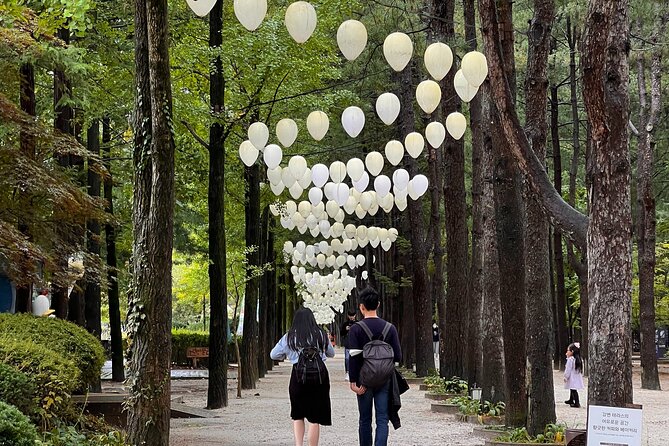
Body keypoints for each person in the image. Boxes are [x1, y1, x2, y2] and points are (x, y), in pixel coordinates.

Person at [271, 308, 335, 446]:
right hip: (319, 378)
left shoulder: (289, 336)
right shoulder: (321, 334)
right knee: (315, 417)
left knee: (297, 414)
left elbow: (273, 355)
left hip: (298, 377)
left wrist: (288, 354)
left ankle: (299, 445)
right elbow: (331, 353)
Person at [348, 287, 402, 446]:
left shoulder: (356, 329)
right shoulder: (389, 328)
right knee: (382, 419)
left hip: (363, 381)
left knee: (365, 419)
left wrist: (353, 381)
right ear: (378, 304)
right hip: (385, 380)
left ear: (361, 306)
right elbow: (398, 356)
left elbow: (354, 358)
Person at [564, 342, 584, 408]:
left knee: (573, 389)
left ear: (572, 351)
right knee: (572, 388)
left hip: (572, 377)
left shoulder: (570, 360)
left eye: (568, 350)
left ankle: (577, 403)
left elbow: (568, 369)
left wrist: (566, 376)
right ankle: (571, 399)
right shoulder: (578, 359)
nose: (567, 352)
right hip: (576, 377)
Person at [340, 309, 357, 381]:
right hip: (347, 344)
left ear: (355, 315)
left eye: (353, 316)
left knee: (355, 359)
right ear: (348, 316)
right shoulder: (345, 324)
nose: (351, 317)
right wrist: (345, 329)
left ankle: (355, 373)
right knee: (347, 359)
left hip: (356, 344)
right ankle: (347, 372)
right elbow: (341, 333)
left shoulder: (357, 323)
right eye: (350, 316)